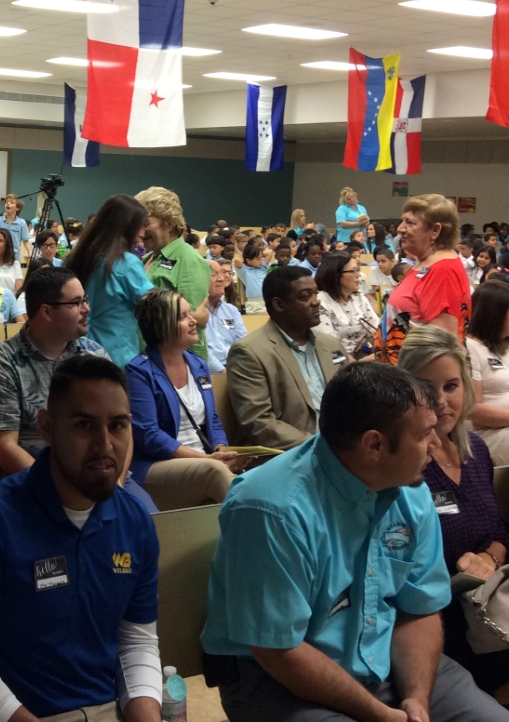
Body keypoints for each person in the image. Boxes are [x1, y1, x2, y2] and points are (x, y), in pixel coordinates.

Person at [201, 361, 509, 722]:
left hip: (389, 657)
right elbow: (277, 649)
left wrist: (416, 701)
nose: (436, 444)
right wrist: (378, 713)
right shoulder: (270, 509)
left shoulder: (412, 490)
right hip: (278, 678)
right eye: (425, 435)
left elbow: (418, 608)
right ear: (374, 444)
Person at [0, 354, 162, 722]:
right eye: (84, 425)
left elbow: (136, 642)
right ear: (47, 427)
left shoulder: (134, 521)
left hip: (106, 709)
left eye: (118, 425)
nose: (104, 445)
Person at [398, 326, 509, 704]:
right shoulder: (400, 469)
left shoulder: (475, 450)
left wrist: (489, 557)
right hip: (438, 621)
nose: (442, 401)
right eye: (427, 388)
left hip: (492, 603)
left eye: (451, 386)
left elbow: (500, 529)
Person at [0, 266, 109, 477]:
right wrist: (60, 488)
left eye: (85, 300)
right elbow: (3, 449)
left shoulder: (94, 356)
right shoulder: (2, 364)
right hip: (33, 481)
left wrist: (115, 481)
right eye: (76, 303)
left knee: (139, 509)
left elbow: (123, 426)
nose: (86, 309)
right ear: (46, 311)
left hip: (98, 472)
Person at [126, 289, 248, 511]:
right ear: (161, 325)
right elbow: (149, 436)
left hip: (204, 459)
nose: (194, 321)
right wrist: (208, 460)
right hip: (158, 466)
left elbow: (212, 419)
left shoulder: (198, 365)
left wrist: (221, 449)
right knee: (215, 472)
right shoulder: (138, 371)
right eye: (183, 317)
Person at [226, 266, 346, 448]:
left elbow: (355, 397)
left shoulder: (331, 344)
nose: (316, 302)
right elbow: (259, 423)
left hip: (345, 446)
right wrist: (322, 444)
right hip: (293, 454)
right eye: (306, 296)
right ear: (279, 305)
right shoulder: (249, 351)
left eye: (316, 294)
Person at [376, 194, 471, 364]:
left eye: (410, 223)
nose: (400, 228)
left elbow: (440, 349)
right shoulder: (425, 261)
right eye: (402, 220)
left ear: (435, 230)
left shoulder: (443, 271)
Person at [64, 194, 154, 367]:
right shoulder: (126, 264)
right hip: (118, 357)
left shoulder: (72, 259)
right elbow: (155, 306)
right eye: (140, 225)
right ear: (128, 227)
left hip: (75, 355)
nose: (143, 232)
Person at [136, 186, 212, 362]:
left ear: (169, 223)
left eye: (146, 223)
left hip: (173, 363)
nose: (140, 231)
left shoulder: (189, 260)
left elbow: (191, 324)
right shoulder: (145, 259)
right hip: (144, 358)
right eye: (138, 224)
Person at [467, 280, 509, 466]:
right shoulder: (469, 348)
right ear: (495, 315)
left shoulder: (504, 346)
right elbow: (473, 408)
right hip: (488, 433)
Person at [315, 250, 379, 358]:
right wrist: (356, 364)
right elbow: (329, 347)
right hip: (338, 361)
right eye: (353, 271)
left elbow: (376, 329)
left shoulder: (359, 297)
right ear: (336, 275)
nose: (358, 275)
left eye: (357, 270)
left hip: (366, 354)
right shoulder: (320, 302)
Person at [204, 259, 247, 373]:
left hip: (235, 367)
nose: (222, 279)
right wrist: (222, 371)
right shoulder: (192, 311)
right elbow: (197, 349)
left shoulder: (231, 310)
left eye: (222, 274)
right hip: (208, 371)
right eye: (214, 274)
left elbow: (243, 343)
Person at [0, 194, 30, 261]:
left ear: (17, 208)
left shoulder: (22, 223)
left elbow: (26, 241)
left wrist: (30, 255)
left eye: (11, 202)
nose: (8, 204)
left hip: (15, 259)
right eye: (6, 202)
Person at [234, 244, 268, 314]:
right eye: (258, 259)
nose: (261, 261)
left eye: (261, 258)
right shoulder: (244, 271)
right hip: (254, 304)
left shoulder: (262, 268)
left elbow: (270, 252)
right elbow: (237, 261)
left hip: (266, 301)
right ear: (249, 260)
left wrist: (258, 252)